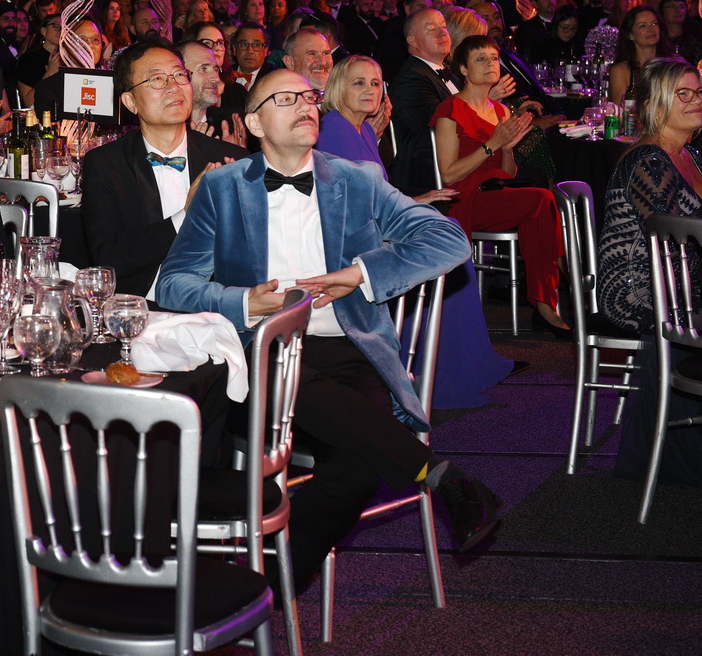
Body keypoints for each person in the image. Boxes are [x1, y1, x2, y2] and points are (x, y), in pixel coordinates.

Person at [155, 68, 499, 597]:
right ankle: (444, 477)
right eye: (285, 98)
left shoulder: (357, 179)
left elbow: (447, 238)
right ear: (253, 122)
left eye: (310, 96)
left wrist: (362, 273)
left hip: (346, 349)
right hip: (259, 356)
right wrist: (242, 301)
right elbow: (173, 283)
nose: (306, 105)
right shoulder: (222, 188)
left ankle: (268, 583)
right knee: (346, 429)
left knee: (359, 470)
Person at [318, 57, 513, 407]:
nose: (370, 90)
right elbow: (350, 205)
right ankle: (436, 371)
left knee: (448, 233)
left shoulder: (360, 127)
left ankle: (448, 365)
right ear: (337, 88)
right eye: (358, 83)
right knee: (443, 244)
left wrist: (417, 199)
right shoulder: (335, 128)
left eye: (376, 83)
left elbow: (374, 194)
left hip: (369, 226)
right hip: (351, 242)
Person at [597, 58, 702, 493]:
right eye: (683, 95)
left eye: (701, 93)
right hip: (642, 290)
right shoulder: (649, 160)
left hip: (685, 281)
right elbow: (683, 241)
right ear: (654, 105)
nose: (698, 101)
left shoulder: (689, 155)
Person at [82, 37, 246, 299]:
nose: (173, 87)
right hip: (143, 307)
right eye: (157, 79)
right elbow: (110, 261)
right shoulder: (106, 164)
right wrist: (187, 214)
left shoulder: (228, 158)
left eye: (179, 75)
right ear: (130, 102)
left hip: (215, 303)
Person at [432, 36, 569, 336]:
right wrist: (493, 144)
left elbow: (507, 174)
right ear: (463, 70)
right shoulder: (451, 109)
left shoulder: (501, 111)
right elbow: (449, 175)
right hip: (464, 199)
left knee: (538, 208)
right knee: (541, 199)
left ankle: (547, 301)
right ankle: (561, 277)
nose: (490, 64)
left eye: (493, 58)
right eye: (480, 59)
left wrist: (507, 149)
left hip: (496, 195)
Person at [389, 8, 456, 196]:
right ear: (412, 41)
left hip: (458, 163)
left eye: (444, 27)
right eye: (431, 29)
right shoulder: (411, 79)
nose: (443, 32)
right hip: (431, 175)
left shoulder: (450, 74)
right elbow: (439, 126)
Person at [608, 7, 670, 107]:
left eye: (654, 23)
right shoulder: (620, 70)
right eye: (643, 26)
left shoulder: (673, 63)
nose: (651, 29)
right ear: (631, 35)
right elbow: (621, 110)